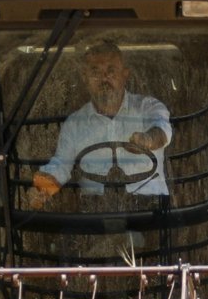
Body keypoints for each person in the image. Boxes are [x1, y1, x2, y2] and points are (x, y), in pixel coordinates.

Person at [34, 41, 172, 199]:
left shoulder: (148, 107)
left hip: (151, 210)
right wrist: (41, 189)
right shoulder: (75, 124)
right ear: (85, 78)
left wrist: (147, 140)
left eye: (111, 71)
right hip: (97, 211)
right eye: (95, 72)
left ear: (124, 74)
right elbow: (61, 165)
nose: (104, 78)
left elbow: (162, 131)